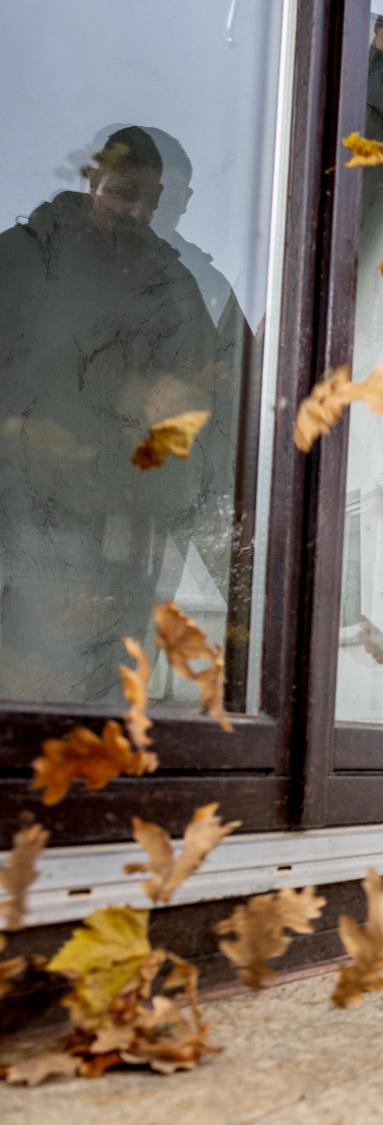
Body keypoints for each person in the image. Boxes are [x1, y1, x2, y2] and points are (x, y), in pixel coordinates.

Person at [0, 125, 228, 704]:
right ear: (91, 179)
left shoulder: (182, 289)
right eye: (123, 193)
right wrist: (17, 432)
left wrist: (218, 544)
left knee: (110, 714)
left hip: (135, 538)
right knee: (33, 699)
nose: (136, 213)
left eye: (152, 204)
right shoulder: (22, 261)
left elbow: (220, 416)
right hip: (28, 523)